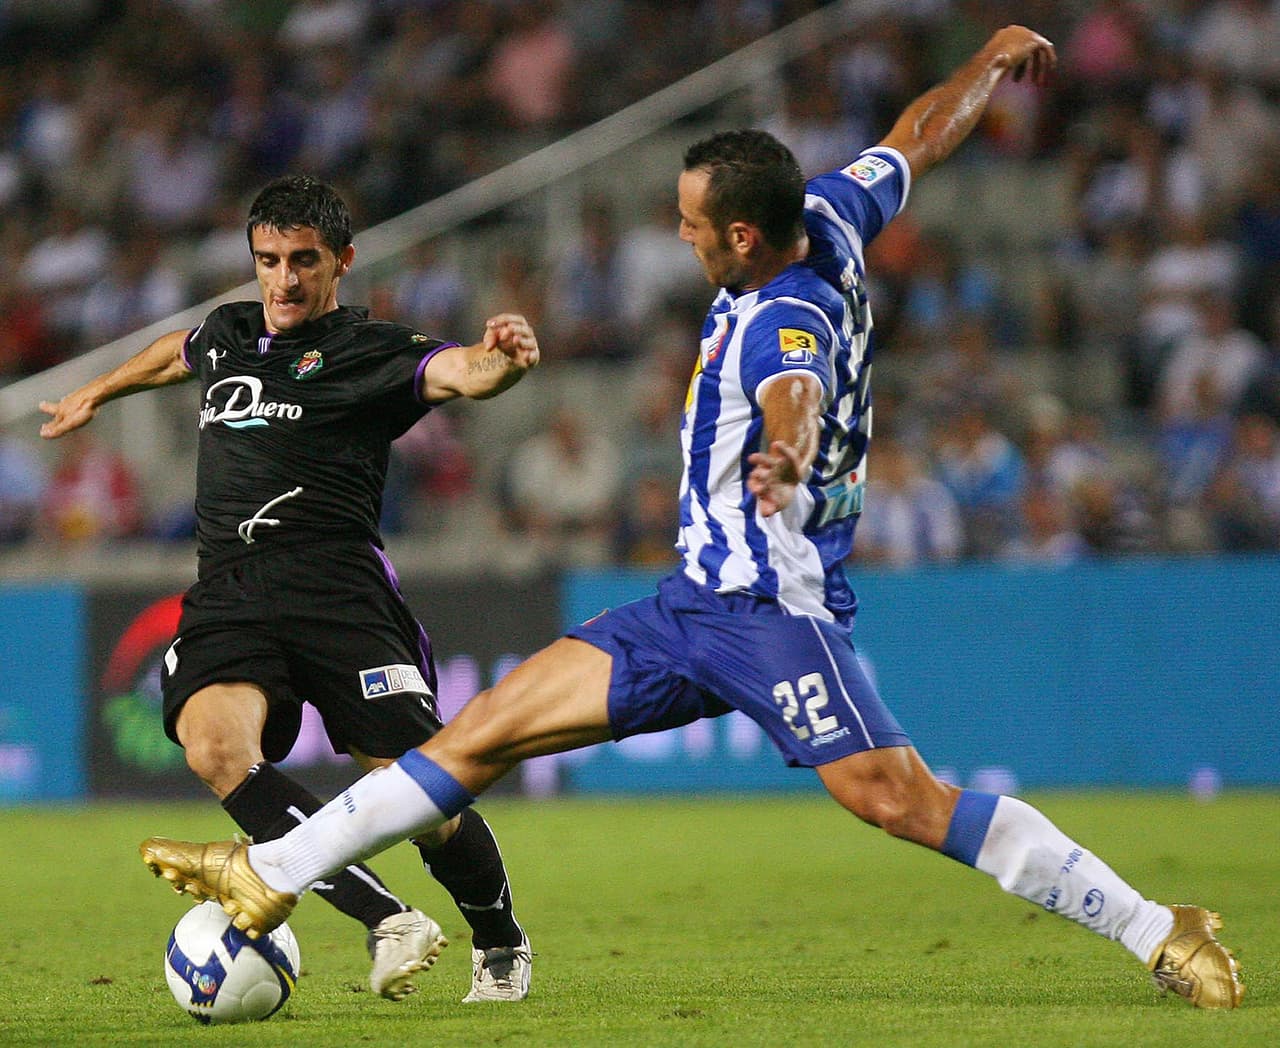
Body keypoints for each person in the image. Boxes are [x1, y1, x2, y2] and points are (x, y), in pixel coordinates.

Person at [140, 29, 1243, 1010]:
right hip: (683, 607)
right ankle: (270, 874)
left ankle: (1156, 927)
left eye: (692, 226)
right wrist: (989, 64)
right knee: (474, 737)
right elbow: (914, 138)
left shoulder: (782, 314)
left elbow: (791, 390)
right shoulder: (834, 209)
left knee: (898, 799)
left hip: (769, 607)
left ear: (747, 239)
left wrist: (785, 453)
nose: (680, 236)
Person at [42, 175, 538, 1003]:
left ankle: (498, 940)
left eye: (303, 261)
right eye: (268, 261)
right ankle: (389, 919)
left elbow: (463, 373)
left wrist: (505, 360)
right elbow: (177, 350)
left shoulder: (371, 349)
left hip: (339, 592)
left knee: (421, 788)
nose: (283, 280)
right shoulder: (231, 332)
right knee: (212, 746)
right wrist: (100, 389)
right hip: (231, 590)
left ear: (341, 262)